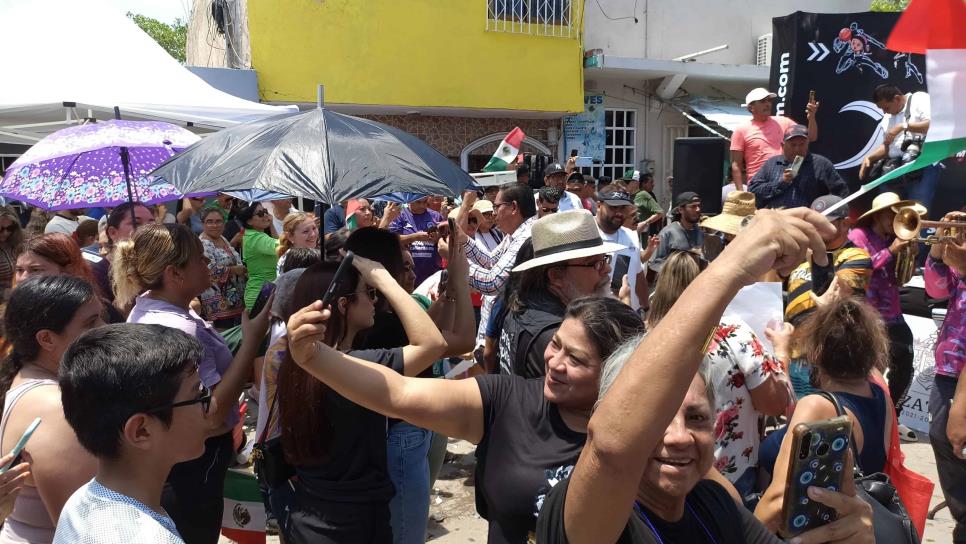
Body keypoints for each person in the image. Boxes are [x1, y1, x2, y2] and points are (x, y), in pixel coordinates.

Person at [534, 207, 875, 544]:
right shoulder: (587, 516)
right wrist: (733, 268)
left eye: (697, 418)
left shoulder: (713, 504)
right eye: (660, 419)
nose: (680, 436)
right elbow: (611, 448)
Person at [286, 295, 644, 544]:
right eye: (557, 344)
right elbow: (396, 394)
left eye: (576, 359)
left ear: (616, 372)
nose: (555, 362)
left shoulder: (647, 434)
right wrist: (313, 359)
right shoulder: (507, 400)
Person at [113, 223, 271, 544]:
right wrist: (251, 341)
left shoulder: (150, 307)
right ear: (175, 273)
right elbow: (209, 416)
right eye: (200, 258)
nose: (208, 264)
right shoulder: (178, 329)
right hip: (192, 467)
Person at [277, 258, 447, 543]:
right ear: (343, 305)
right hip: (356, 524)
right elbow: (433, 344)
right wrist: (385, 280)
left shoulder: (292, 362)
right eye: (368, 293)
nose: (374, 301)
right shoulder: (355, 367)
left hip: (306, 517)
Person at [646, 250, 790, 497]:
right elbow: (775, 404)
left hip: (665, 469)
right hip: (730, 477)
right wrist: (781, 353)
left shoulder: (646, 339)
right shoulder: (734, 334)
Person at [53, 324, 209, 544]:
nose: (210, 404)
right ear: (141, 431)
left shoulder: (81, 501)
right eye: (198, 395)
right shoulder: (151, 539)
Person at [756, 297, 893, 529]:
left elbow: (778, 501)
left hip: (805, 531)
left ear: (816, 352)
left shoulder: (818, 406)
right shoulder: (881, 396)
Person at [0, 276, 105, 543]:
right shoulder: (56, 410)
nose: (105, 329)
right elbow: (85, 533)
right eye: (90, 323)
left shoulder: (34, 381)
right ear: (47, 339)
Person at [499, 212, 621, 378]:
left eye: (605, 260)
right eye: (595, 263)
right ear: (556, 276)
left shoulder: (525, 304)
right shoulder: (559, 339)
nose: (607, 269)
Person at [848, 192, 918, 438]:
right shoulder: (859, 235)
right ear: (879, 215)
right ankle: (870, 418)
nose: (896, 218)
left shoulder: (894, 237)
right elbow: (860, 266)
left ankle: (892, 416)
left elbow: (902, 278)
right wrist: (891, 250)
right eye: (892, 213)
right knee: (872, 368)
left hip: (894, 314)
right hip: (870, 313)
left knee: (905, 361)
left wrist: (908, 256)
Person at [924, 213, 966, 541]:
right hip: (948, 370)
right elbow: (936, 289)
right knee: (940, 438)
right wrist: (938, 248)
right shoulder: (959, 261)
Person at [859, 84, 938, 210]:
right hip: (895, 168)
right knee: (887, 210)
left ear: (897, 98)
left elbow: (932, 125)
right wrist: (869, 157)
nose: (884, 112)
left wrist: (903, 126)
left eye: (886, 107)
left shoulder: (919, 99)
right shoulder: (887, 117)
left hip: (920, 165)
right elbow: (887, 147)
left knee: (916, 212)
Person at [730, 88, 818, 191]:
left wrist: (811, 117)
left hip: (785, 182)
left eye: (769, 100)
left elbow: (811, 137)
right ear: (751, 107)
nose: (768, 104)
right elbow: (736, 165)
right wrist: (740, 193)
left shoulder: (784, 122)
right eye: (763, 101)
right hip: (759, 186)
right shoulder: (741, 130)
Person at [749, 124, 849, 209]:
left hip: (808, 223)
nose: (797, 149)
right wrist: (781, 183)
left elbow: (841, 192)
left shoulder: (820, 164)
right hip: (775, 221)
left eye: (802, 144)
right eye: (793, 145)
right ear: (783, 146)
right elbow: (753, 190)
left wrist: (824, 211)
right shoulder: (772, 163)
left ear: (807, 145)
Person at [83, 203, 156, 306]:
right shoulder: (96, 273)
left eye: (151, 223)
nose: (147, 229)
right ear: (113, 232)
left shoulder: (156, 267)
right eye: (136, 223)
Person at [593, 186, 647, 310]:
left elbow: (638, 274)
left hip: (630, 313)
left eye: (622, 208)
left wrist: (647, 308)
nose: (618, 213)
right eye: (612, 207)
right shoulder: (587, 234)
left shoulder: (631, 235)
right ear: (599, 205)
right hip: (598, 315)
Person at [198, 206, 246, 328]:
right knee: (225, 336)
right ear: (203, 224)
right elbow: (209, 270)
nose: (215, 225)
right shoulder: (203, 243)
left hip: (236, 298)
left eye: (218, 221)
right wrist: (234, 270)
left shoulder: (222, 238)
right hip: (218, 301)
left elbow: (235, 258)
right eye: (210, 222)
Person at [389, 197, 444, 287]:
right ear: (409, 199)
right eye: (418, 202)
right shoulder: (400, 216)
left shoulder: (436, 216)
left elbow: (447, 240)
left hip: (431, 273)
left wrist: (438, 238)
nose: (422, 206)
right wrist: (414, 237)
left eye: (425, 202)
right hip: (407, 273)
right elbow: (391, 240)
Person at [237, 202, 280, 310]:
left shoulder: (255, 234)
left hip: (267, 291)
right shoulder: (255, 238)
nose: (265, 215)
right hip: (260, 294)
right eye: (260, 214)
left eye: (265, 211)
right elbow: (283, 247)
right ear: (249, 221)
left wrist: (271, 223)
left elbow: (278, 243)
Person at [649, 192, 703, 272]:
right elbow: (654, 263)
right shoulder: (668, 233)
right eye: (693, 206)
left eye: (699, 206)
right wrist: (677, 271)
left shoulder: (700, 232)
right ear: (680, 210)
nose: (698, 209)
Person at [0, 206, 24, 299]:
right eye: (0, 229)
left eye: (10, 228)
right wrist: (4, 292)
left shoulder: (19, 241)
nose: (5, 233)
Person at [634, 173, 664, 237]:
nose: (653, 185)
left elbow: (659, 212)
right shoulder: (636, 194)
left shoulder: (649, 195)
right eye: (651, 182)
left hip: (649, 231)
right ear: (643, 184)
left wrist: (645, 223)